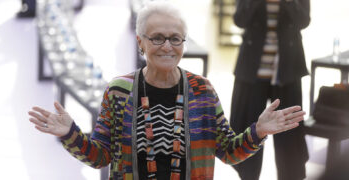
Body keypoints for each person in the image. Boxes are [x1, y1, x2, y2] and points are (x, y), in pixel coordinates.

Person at [28, 1, 306, 179]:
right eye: (157, 38)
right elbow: (100, 156)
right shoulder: (119, 90)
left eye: (175, 38)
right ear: (140, 43)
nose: (167, 46)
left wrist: (258, 131)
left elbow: (228, 152)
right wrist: (70, 133)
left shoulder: (202, 90)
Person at [230, 0, 310, 180]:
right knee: (249, 130)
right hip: (252, 71)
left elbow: (304, 21)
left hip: (287, 71)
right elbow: (239, 20)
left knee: (289, 132)